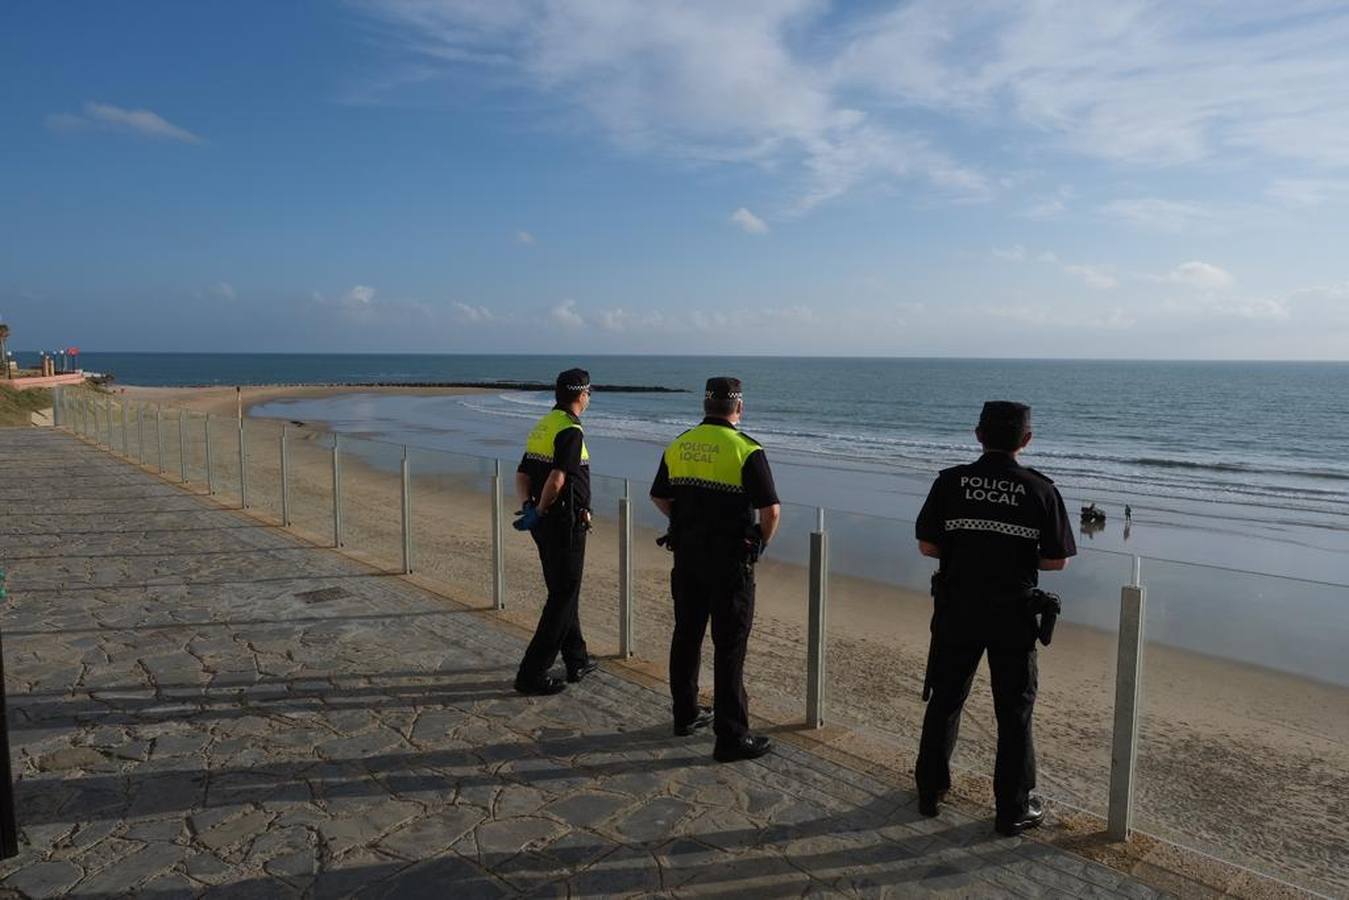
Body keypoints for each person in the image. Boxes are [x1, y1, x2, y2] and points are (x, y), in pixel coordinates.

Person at [913, 401, 1076, 835]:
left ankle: (929, 791)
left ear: (978, 435)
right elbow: (1057, 560)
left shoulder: (951, 481)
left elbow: (928, 546)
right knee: (1014, 711)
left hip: (957, 608)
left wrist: (969, 550)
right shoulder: (1040, 490)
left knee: (946, 699)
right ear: (1026, 440)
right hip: (1012, 613)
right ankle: (1013, 808)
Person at [650, 377, 781, 762]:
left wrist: (687, 521)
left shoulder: (680, 443)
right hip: (729, 564)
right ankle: (731, 737)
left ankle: (685, 714)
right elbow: (770, 510)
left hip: (687, 558)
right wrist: (760, 541)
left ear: (706, 407)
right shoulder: (746, 450)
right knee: (729, 646)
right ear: (738, 408)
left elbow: (658, 495)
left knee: (686, 635)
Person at [511, 368, 599, 695]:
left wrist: (530, 509)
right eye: (589, 392)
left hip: (543, 523)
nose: (589, 398)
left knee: (564, 590)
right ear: (581, 394)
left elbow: (522, 474)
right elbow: (558, 479)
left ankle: (577, 658)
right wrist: (544, 509)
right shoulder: (570, 430)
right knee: (562, 596)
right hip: (565, 524)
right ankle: (531, 673)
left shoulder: (543, 426)